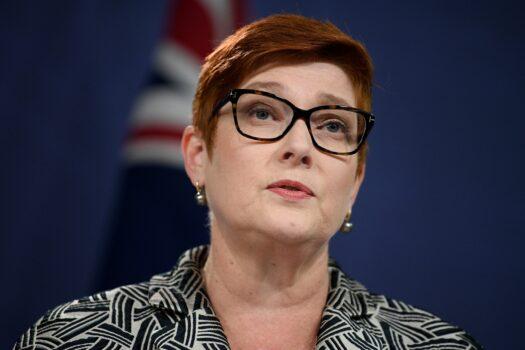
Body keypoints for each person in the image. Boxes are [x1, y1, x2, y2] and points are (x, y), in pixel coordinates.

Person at [14, 14, 481, 350]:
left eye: (333, 124)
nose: (300, 146)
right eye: (262, 112)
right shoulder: (71, 339)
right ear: (198, 157)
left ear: (354, 182)